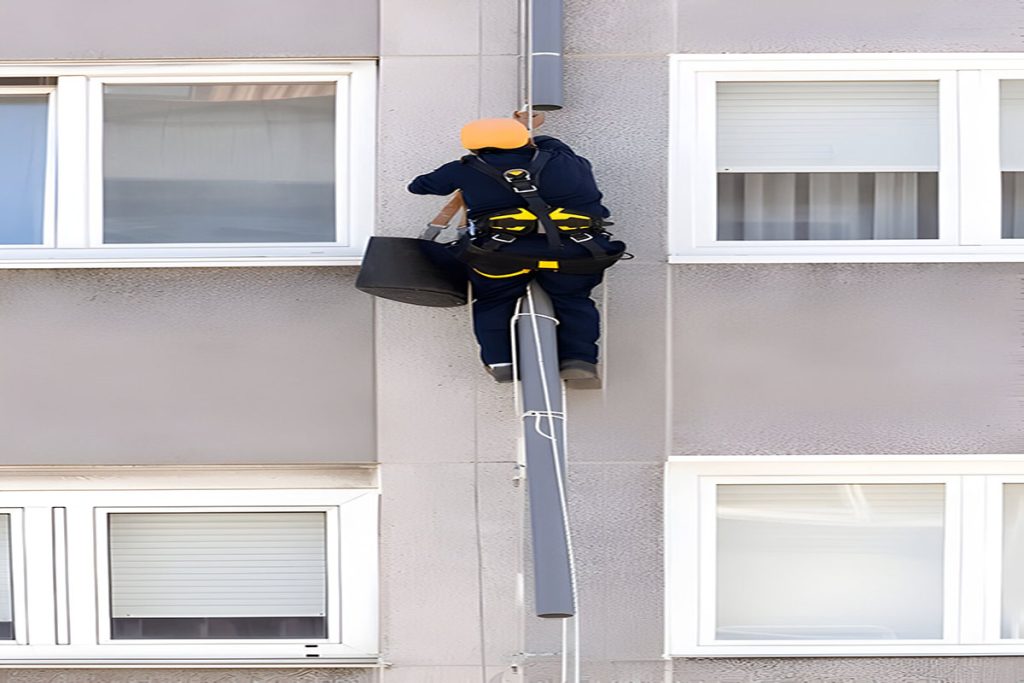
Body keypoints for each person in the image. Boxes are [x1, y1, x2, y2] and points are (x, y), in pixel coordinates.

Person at [408, 114, 619, 384]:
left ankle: (502, 362)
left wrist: (465, 173)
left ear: (472, 146)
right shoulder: (569, 161)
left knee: (494, 300)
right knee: (574, 300)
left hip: (502, 255)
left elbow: (418, 186)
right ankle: (579, 361)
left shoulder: (464, 168)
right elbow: (553, 146)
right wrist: (527, 130)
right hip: (575, 254)